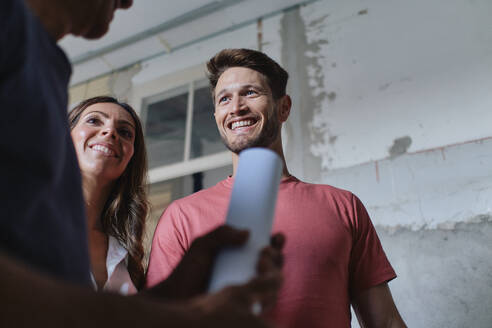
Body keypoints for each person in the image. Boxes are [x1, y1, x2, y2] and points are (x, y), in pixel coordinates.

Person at [0, 1, 284, 326]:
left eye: (125, 132)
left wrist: (182, 284)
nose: (128, 2)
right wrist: (189, 316)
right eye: (94, 121)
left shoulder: (42, 65)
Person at [146, 48, 407, 328]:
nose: (236, 107)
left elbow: (386, 322)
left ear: (283, 107)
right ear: (217, 116)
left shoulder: (343, 206)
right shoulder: (181, 216)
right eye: (224, 99)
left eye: (250, 93)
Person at [69, 96, 148, 294]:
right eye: (94, 120)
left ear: (131, 158)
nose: (110, 131)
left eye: (124, 132)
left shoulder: (126, 257)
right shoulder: (21, 220)